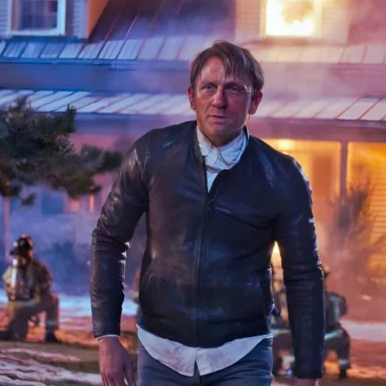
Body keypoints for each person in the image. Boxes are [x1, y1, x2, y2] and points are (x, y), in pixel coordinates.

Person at [91, 40, 325, 386]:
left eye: (234, 89)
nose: (219, 100)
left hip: (241, 354)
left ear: (254, 101)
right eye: (209, 87)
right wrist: (107, 335)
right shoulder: (151, 154)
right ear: (191, 96)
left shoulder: (283, 176)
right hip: (160, 350)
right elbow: (109, 239)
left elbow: (303, 275)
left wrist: (308, 372)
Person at [0, 234, 60, 343]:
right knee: (53, 300)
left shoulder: (11, 269)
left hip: (14, 308)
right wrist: (38, 293)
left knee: (19, 336)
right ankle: (50, 334)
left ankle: (13, 329)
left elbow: (7, 287)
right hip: (30, 304)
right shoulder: (38, 267)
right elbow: (47, 285)